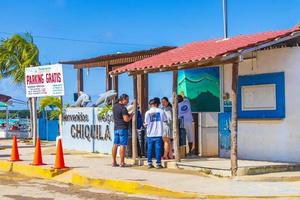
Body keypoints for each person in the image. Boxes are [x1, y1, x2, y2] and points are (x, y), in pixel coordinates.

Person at [112, 94, 134, 167]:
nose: (128, 101)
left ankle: (114, 162)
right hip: (123, 128)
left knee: (115, 144)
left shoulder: (114, 107)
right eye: (127, 100)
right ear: (123, 99)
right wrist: (131, 115)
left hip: (116, 128)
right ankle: (122, 162)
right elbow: (126, 119)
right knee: (123, 145)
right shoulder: (123, 108)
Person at [144, 98, 167, 169]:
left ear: (150, 104)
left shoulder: (147, 112)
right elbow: (165, 120)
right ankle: (158, 163)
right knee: (158, 148)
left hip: (150, 133)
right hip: (158, 133)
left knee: (149, 149)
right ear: (156, 104)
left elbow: (146, 123)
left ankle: (149, 163)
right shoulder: (161, 111)